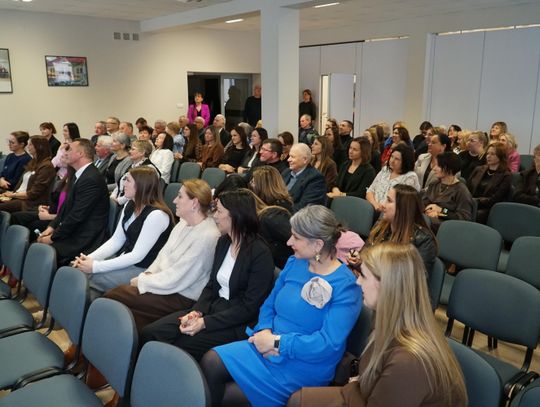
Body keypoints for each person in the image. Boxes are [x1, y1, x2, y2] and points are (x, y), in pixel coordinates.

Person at [201, 205, 362, 407]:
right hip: (267, 344)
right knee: (211, 361)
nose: (288, 242)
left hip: (301, 364)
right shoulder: (295, 263)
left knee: (228, 396)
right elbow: (269, 305)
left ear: (318, 244)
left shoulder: (345, 286)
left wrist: (277, 343)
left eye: (296, 237)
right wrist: (265, 331)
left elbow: (327, 344)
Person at [290, 243, 467, 407]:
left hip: (370, 393)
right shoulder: (391, 320)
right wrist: (358, 384)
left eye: (363, 276)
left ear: (387, 286)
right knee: (298, 400)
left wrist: (354, 386)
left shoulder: (408, 361)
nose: (358, 282)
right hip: (370, 391)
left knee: (299, 401)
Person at [139, 189, 275, 361]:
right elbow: (211, 285)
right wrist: (196, 312)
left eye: (219, 211)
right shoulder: (224, 242)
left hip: (235, 322)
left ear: (235, 216)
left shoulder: (260, 253)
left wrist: (205, 323)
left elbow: (249, 307)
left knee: (179, 347)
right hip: (212, 309)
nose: (215, 216)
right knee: (151, 333)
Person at [105, 179, 220, 330]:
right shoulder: (182, 223)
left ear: (194, 203)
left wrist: (143, 281)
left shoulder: (208, 236)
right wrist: (148, 274)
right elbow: (161, 256)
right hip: (164, 285)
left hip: (182, 295)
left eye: (180, 196)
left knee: (114, 296)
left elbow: (178, 277)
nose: (174, 200)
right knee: (119, 299)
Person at [73, 167, 174, 300]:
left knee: (94, 278)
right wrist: (88, 259)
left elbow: (137, 256)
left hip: (145, 269)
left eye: (128, 180)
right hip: (127, 259)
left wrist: (95, 266)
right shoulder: (130, 205)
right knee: (77, 268)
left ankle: (82, 311)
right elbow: (116, 240)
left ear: (141, 185)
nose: (123, 184)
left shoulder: (157, 215)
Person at [37, 139, 110, 266]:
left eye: (69, 149)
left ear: (80, 154)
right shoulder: (79, 175)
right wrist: (51, 227)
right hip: (75, 230)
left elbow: (77, 216)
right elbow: (65, 207)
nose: (64, 153)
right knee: (37, 245)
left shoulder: (91, 178)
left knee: (40, 252)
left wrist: (52, 238)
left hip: (84, 237)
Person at [359, 184, 437, 272]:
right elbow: (365, 253)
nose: (383, 204)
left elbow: (416, 277)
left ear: (403, 207)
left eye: (389, 200)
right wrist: (358, 260)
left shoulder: (424, 241)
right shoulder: (381, 225)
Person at [0, 135, 55, 213]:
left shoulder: (46, 166)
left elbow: (34, 193)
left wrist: (13, 195)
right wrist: (12, 194)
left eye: (30, 145)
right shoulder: (33, 162)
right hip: (18, 196)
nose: (28, 147)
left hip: (29, 202)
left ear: (39, 147)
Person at [422, 152, 474, 231]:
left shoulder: (461, 191)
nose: (434, 168)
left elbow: (464, 218)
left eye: (438, 166)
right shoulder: (434, 184)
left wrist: (441, 211)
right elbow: (423, 203)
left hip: (447, 227)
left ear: (449, 168)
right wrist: (427, 210)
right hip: (429, 220)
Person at [467, 142, 512, 224]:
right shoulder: (479, 169)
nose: (488, 156)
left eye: (492, 154)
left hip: (488, 207)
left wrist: (475, 201)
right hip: (470, 203)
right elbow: (467, 188)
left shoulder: (506, 175)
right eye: (487, 153)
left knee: (475, 214)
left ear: (500, 156)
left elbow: (495, 198)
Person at [366, 144, 420, 211]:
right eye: (392, 156)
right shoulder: (385, 170)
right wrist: (375, 205)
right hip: (373, 208)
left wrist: (382, 208)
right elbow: (370, 191)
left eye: (397, 159)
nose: (392, 161)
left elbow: (403, 204)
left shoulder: (410, 177)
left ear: (405, 161)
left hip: (392, 214)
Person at [282, 143, 327, 212]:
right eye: (289, 156)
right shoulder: (286, 172)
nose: (288, 160)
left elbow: (305, 208)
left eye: (292, 157)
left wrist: (280, 212)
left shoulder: (315, 178)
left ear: (305, 160)